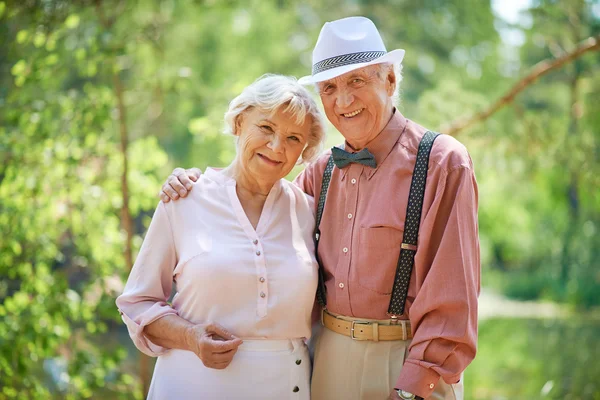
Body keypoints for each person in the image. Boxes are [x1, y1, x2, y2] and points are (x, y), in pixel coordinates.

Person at [161, 17, 480, 400]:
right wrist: (196, 184)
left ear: (390, 81)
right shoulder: (319, 173)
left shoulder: (443, 162)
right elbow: (254, 214)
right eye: (329, 88)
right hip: (328, 361)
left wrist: (414, 389)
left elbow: (453, 301)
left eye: (357, 82)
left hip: (408, 363)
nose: (343, 101)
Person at [116, 74, 327, 400]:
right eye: (266, 128)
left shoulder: (310, 211)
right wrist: (190, 337)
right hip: (191, 386)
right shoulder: (184, 198)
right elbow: (137, 302)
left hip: (286, 387)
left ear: (304, 150)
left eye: (293, 138)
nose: (276, 147)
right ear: (240, 121)